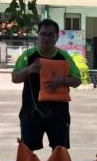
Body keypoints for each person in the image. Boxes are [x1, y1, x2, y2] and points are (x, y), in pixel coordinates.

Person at [11, 19, 82, 151]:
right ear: (38, 35)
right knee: (27, 152)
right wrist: (29, 70)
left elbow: (77, 80)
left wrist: (62, 81)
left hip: (58, 113)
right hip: (31, 112)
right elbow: (15, 78)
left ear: (57, 37)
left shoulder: (64, 56)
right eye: (43, 34)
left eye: (50, 35)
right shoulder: (28, 56)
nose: (46, 38)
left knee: (59, 152)